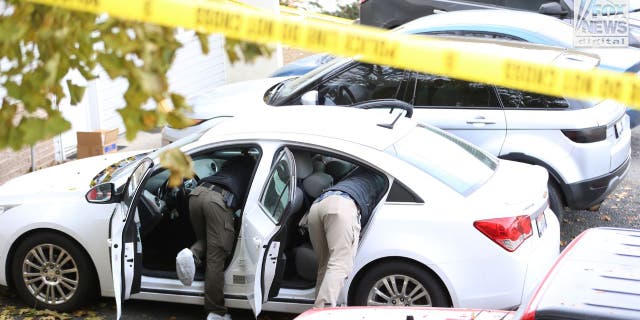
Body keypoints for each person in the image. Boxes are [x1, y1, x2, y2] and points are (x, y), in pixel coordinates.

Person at [176, 154, 255, 320]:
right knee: (216, 256)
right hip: (218, 200)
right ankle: (216, 312)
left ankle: (191, 254)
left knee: (207, 240)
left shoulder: (232, 162)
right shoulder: (254, 168)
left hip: (197, 193)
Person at [307, 166, 386, 308]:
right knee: (339, 265)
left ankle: (317, 310)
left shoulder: (358, 169)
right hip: (343, 206)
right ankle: (322, 314)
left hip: (318, 204)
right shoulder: (383, 178)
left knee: (325, 266)